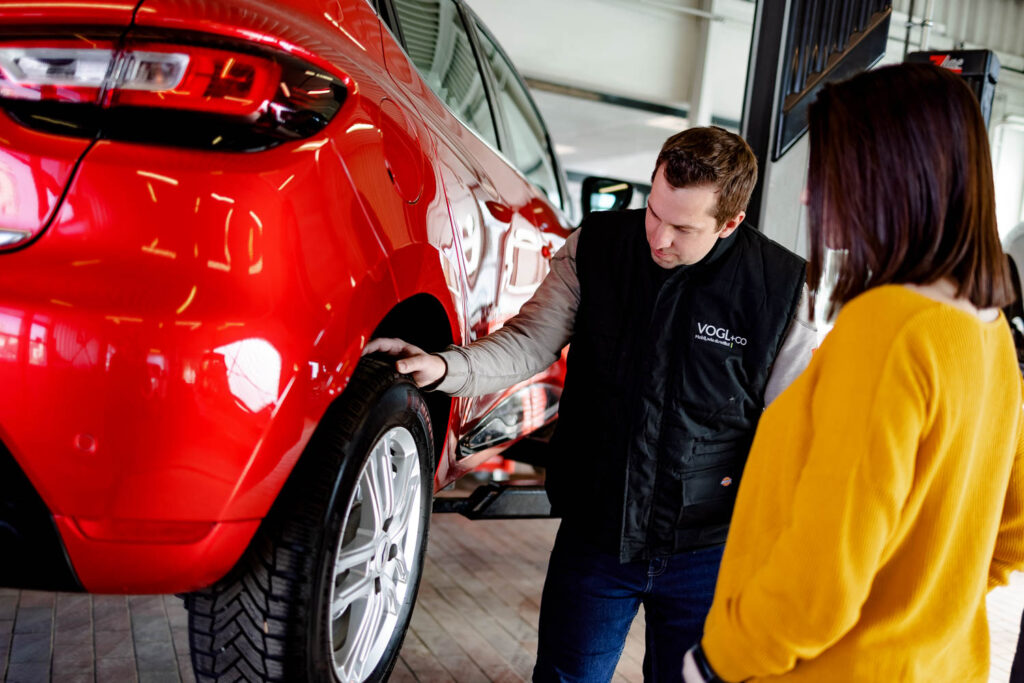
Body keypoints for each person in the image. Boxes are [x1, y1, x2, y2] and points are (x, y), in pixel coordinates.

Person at [365, 125, 815, 681]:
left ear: (730, 223)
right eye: (654, 211)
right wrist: (446, 366)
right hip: (599, 532)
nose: (658, 238)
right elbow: (530, 340)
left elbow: (797, 427)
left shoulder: (782, 289)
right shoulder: (597, 246)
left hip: (710, 551)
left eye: (682, 227)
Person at [682, 63, 1024, 683]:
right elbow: (1014, 529)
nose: (810, 194)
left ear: (890, 176)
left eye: (827, 168)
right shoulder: (988, 331)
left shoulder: (888, 328)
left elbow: (822, 574)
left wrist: (717, 661)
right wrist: (928, 602)